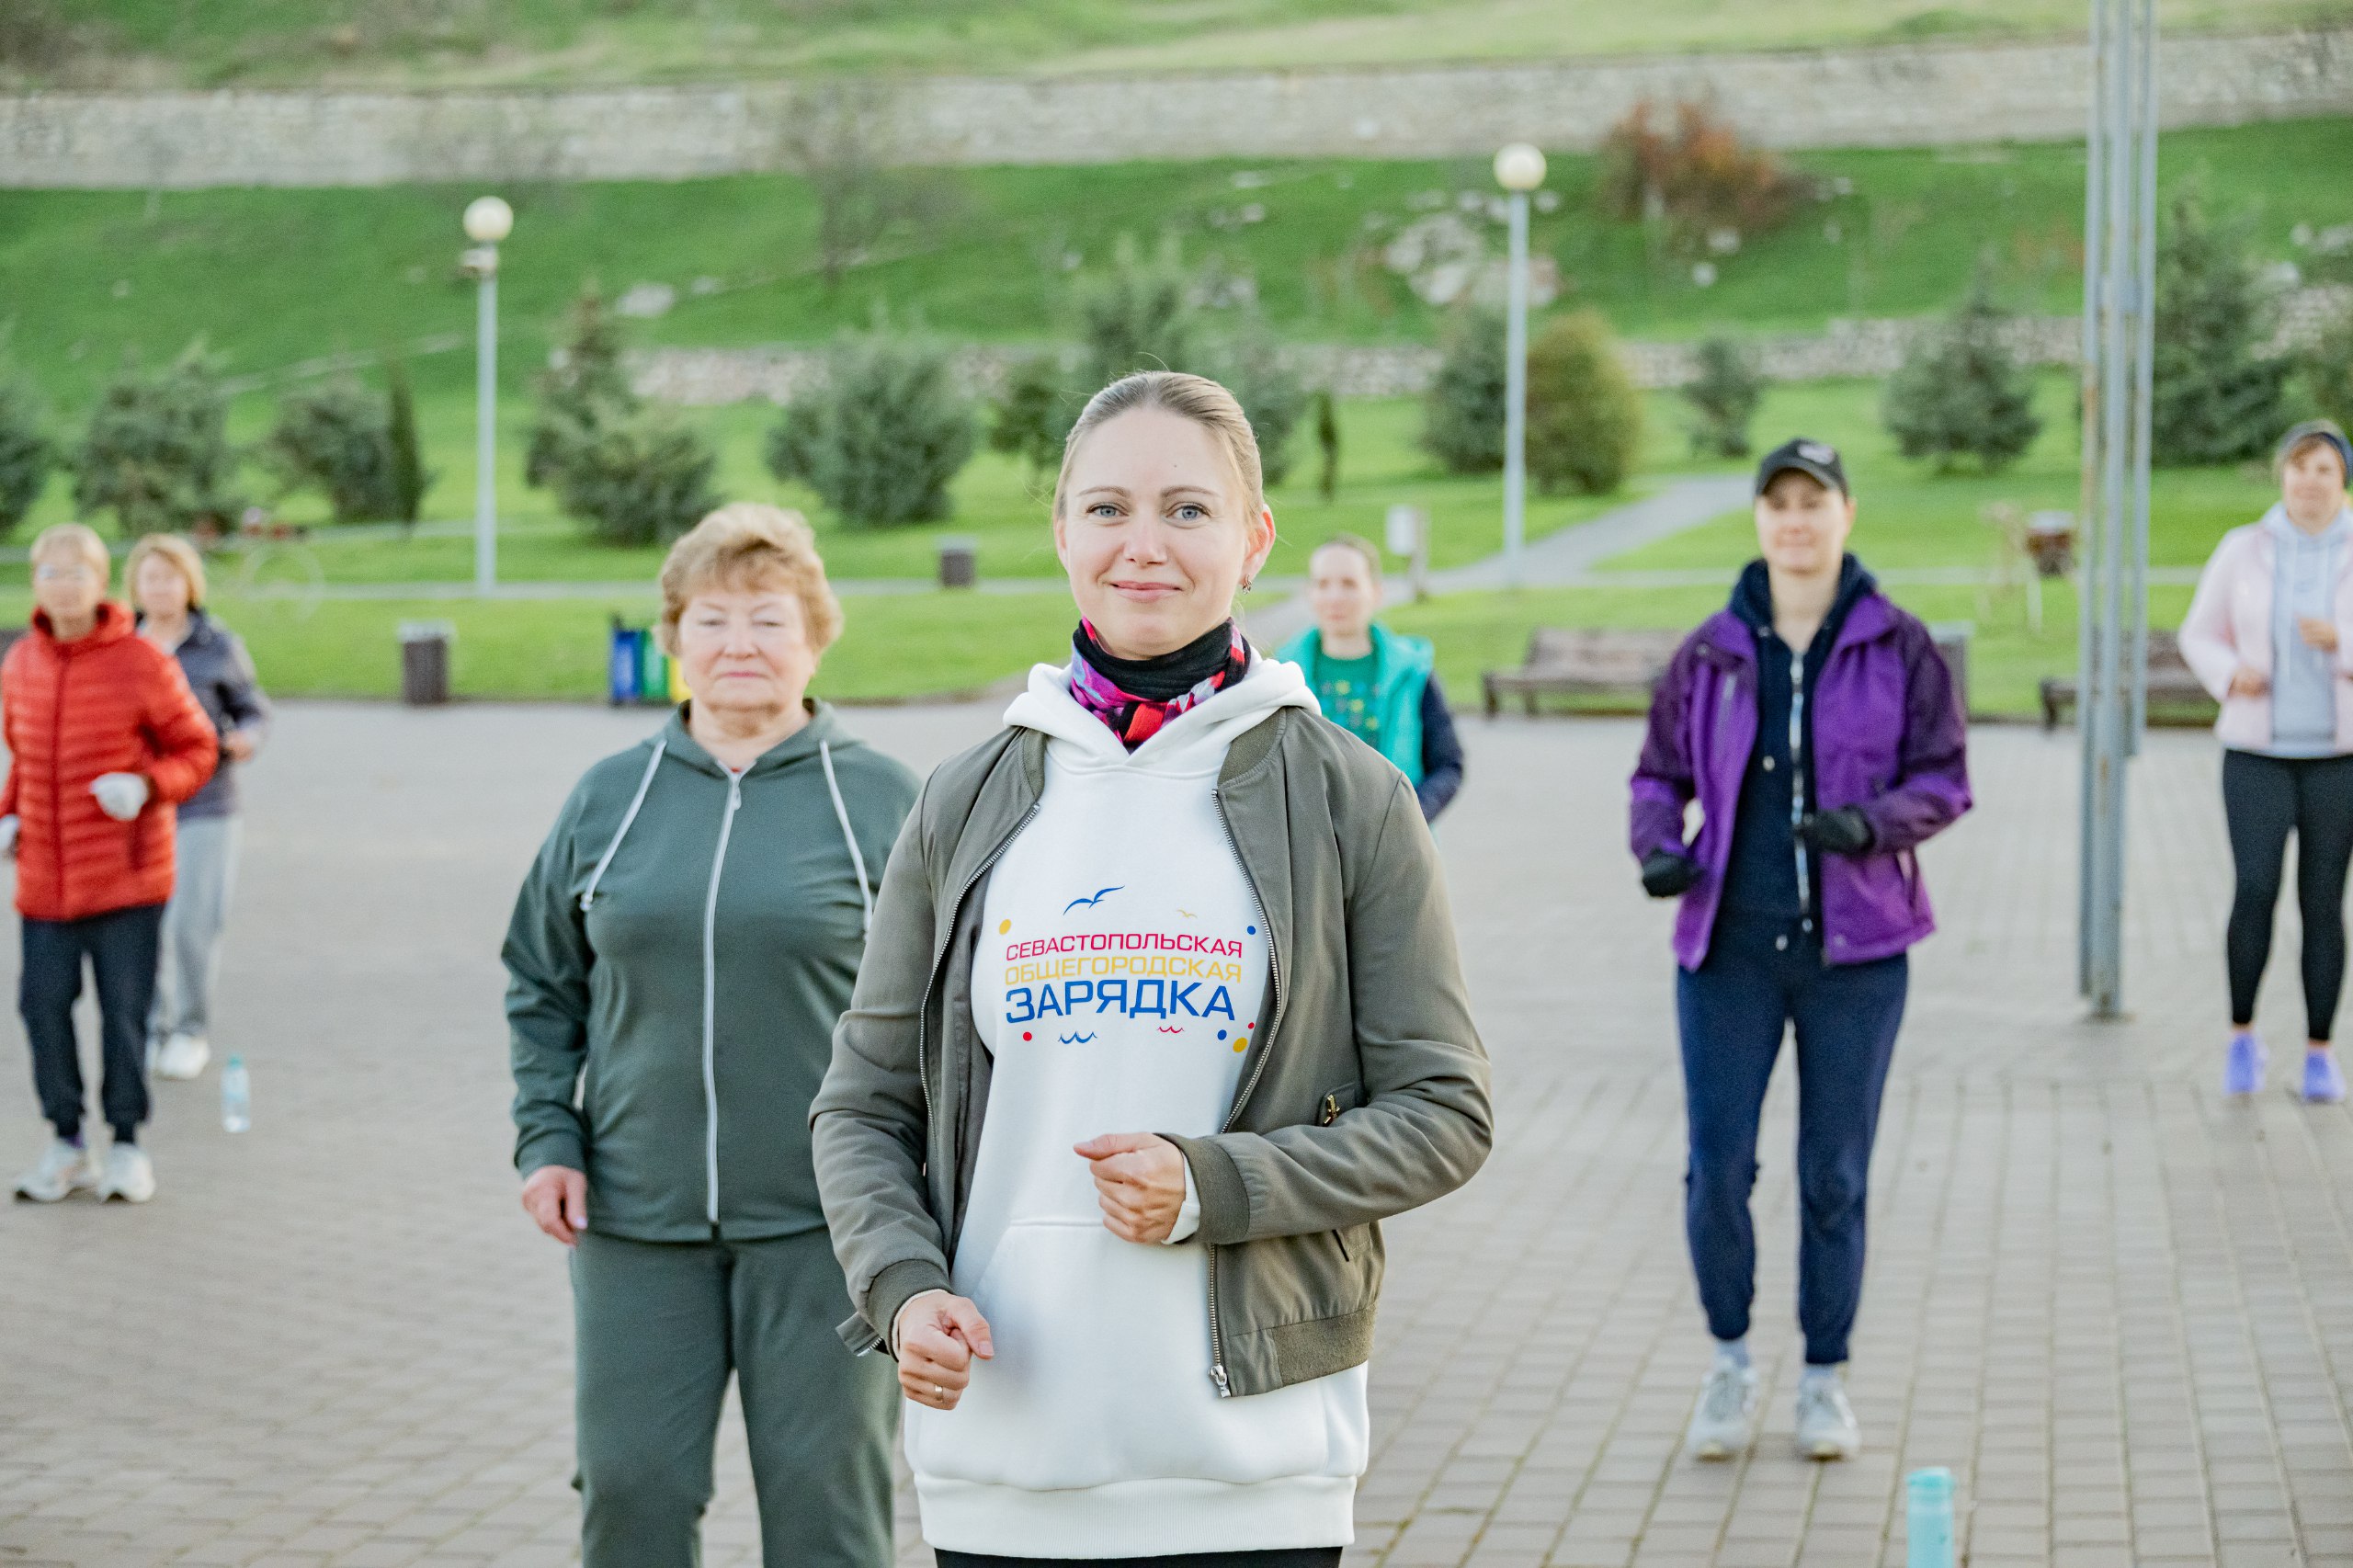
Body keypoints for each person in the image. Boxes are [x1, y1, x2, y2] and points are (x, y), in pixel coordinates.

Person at [811, 371, 1492, 1568]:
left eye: (1187, 509)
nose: (1144, 544)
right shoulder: (963, 802)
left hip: (1256, 1470)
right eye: (1107, 508)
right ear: (1061, 530)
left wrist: (1213, 1184)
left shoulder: (1353, 798)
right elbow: (863, 1105)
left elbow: (1445, 1112)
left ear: (1254, 538)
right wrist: (904, 1287)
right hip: (1008, 1464)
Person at [503, 504, 917, 1568]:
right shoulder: (609, 797)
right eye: (712, 620)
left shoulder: (883, 801)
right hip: (637, 1218)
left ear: (815, 637)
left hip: (829, 1229)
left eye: (768, 619)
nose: (739, 644)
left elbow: (951, 1011)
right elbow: (542, 980)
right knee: (631, 1492)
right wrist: (547, 1137)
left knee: (829, 1512)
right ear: (674, 640)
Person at [1628, 438, 1970, 1464]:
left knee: (1834, 1175)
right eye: (1777, 503)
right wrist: (1657, 843)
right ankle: (1730, 1364)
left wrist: (1871, 825)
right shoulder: (1711, 652)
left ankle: (1824, 1379)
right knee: (1717, 1171)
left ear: (1845, 514)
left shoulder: (1898, 644)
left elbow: (1945, 778)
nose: (1795, 520)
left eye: (1812, 501)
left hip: (1855, 958)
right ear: (1759, 520)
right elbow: (1657, 774)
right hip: (1727, 953)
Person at [7, 524, 219, 1206]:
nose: (63, 587)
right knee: (41, 1008)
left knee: (125, 1015)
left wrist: (147, 787)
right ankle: (68, 1143)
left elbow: (198, 748)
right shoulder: (21, 662)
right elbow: (24, 758)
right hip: (45, 883)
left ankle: (127, 1145)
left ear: (102, 583)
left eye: (77, 574)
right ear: (34, 583)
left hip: (127, 881)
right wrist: (9, 815)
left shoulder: (141, 661)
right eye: (50, 573)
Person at [2179, 418, 2353, 1104]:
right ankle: (2242, 1036)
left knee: (2323, 902)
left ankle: (2319, 1051)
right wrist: (2231, 673)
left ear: (2342, 482)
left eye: (2324, 470)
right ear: (2283, 476)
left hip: (2337, 758)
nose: (2309, 482)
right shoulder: (2243, 549)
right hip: (2256, 754)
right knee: (2254, 890)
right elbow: (2199, 633)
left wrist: (2342, 643)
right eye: (2298, 468)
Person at [129, 534, 270, 1084]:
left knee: (192, 922)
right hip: (138, 805)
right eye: (151, 578)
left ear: (190, 585)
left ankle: (189, 1030)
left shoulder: (218, 646)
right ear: (135, 587)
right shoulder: (122, 647)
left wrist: (246, 739)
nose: (160, 588)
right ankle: (151, 1027)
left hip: (206, 803)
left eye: (170, 578)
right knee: (140, 924)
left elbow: (253, 711)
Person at [1276, 534, 1464, 821]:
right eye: (1323, 584)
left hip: (1398, 841)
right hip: (1308, 842)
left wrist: (1409, 819)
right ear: (1309, 592)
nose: (1335, 597)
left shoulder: (1412, 671)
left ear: (1376, 592)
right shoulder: (1282, 676)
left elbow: (1448, 764)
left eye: (1349, 584)